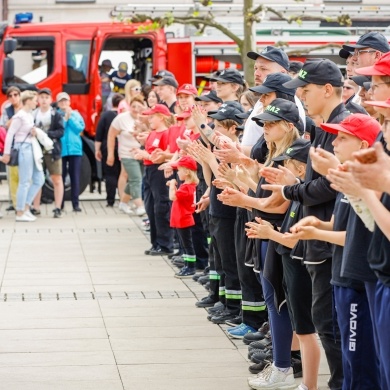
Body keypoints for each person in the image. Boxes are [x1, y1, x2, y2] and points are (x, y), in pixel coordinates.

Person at [259, 59, 349, 390]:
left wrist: (290, 188)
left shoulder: (342, 124)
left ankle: (339, 383)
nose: (303, 98)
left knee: (329, 324)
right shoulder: (326, 127)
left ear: (328, 89)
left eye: (306, 91)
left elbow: (329, 185)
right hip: (319, 236)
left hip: (328, 238)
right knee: (323, 322)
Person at [134, 104, 174, 256]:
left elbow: (162, 155)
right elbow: (150, 152)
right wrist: (142, 153)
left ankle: (165, 244)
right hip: (149, 171)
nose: (150, 119)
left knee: (161, 207)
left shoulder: (165, 133)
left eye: (153, 117)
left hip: (159, 171)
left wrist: (146, 155)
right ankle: (155, 242)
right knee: (150, 207)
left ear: (162, 117)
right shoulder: (152, 133)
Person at [2, 91, 44, 222]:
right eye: (34, 100)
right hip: (23, 148)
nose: (36, 102)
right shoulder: (19, 116)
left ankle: (25, 207)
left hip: (30, 147)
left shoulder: (29, 115)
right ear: (28, 101)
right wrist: (6, 153)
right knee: (24, 181)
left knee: (39, 178)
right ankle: (20, 212)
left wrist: (33, 132)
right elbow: (10, 134)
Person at [107, 95, 146, 216]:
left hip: (142, 153)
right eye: (133, 106)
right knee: (136, 178)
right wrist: (110, 154)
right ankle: (139, 205)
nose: (135, 109)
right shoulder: (121, 118)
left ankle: (123, 203)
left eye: (138, 106)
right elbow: (111, 135)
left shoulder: (145, 118)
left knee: (137, 179)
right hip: (127, 154)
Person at [31, 88, 65, 218]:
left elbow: (61, 132)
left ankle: (57, 207)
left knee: (56, 178)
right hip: (37, 150)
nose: (44, 100)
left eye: (46, 97)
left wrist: (45, 133)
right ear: (38, 99)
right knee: (37, 179)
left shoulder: (56, 114)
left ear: (51, 100)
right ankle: (36, 207)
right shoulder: (33, 114)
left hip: (52, 149)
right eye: (42, 97)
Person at [168, 156, 199, 278]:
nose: (177, 173)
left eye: (179, 170)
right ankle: (187, 264)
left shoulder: (187, 187)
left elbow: (173, 197)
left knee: (187, 244)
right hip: (179, 218)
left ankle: (191, 267)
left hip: (184, 218)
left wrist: (171, 185)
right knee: (184, 243)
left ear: (186, 172)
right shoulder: (185, 185)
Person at [56, 92, 85, 212]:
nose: (63, 103)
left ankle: (75, 204)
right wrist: (65, 119)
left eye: (65, 101)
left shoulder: (76, 114)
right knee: (60, 177)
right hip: (61, 149)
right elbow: (58, 129)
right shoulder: (56, 115)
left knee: (75, 176)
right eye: (61, 101)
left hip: (75, 149)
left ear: (69, 102)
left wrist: (70, 118)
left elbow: (80, 128)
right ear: (58, 103)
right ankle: (60, 203)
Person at [95, 93, 124, 207]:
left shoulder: (106, 115)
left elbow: (99, 134)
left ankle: (110, 201)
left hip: (108, 147)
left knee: (110, 174)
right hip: (123, 146)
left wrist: (97, 150)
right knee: (123, 174)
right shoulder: (125, 115)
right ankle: (123, 199)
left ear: (112, 103)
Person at [1, 86, 22, 211]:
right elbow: (4, 127)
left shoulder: (25, 108)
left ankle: (24, 203)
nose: (13, 97)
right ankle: (14, 203)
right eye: (10, 95)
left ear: (19, 95)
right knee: (12, 177)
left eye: (15, 94)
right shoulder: (7, 110)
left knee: (24, 177)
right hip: (11, 146)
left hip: (25, 145)